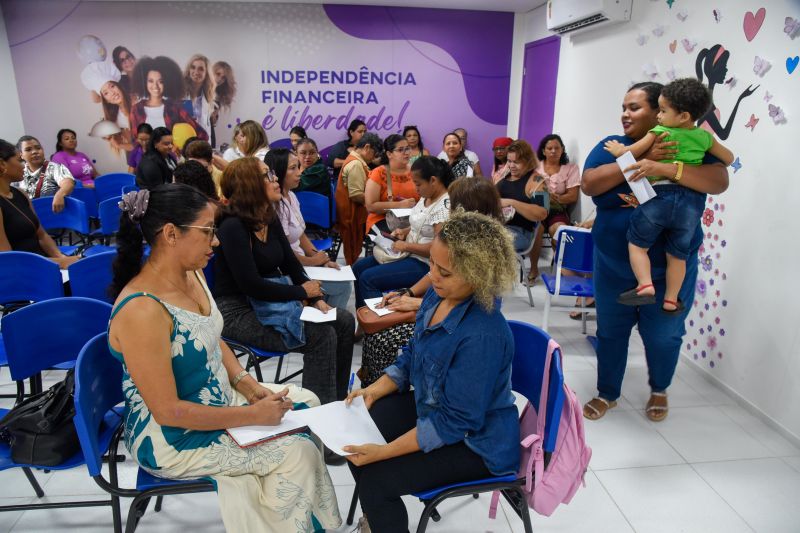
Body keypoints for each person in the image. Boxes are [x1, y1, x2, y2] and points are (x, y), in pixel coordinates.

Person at [107, 183, 341, 532]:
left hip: (210, 399)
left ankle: (291, 521)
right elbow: (168, 412)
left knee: (305, 401)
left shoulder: (192, 274)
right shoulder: (142, 309)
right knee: (299, 450)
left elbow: (213, 340)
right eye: (207, 232)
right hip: (171, 436)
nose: (215, 241)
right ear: (171, 234)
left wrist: (247, 385)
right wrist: (251, 414)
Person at [344, 211, 519, 533]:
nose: (433, 277)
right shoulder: (438, 297)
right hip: (437, 408)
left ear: (479, 274)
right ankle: (380, 516)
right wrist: (374, 389)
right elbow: (413, 356)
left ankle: (381, 516)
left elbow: (455, 422)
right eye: (434, 265)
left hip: (476, 443)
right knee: (355, 429)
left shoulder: (483, 335)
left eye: (445, 271)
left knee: (375, 475)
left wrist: (384, 452)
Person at [581, 81, 729, 422]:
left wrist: (669, 168)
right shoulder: (612, 146)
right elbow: (590, 184)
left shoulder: (689, 141)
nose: (625, 114)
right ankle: (607, 393)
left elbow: (719, 181)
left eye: (635, 108)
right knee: (610, 332)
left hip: (669, 271)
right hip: (614, 266)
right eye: (624, 107)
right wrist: (640, 157)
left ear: (664, 112)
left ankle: (659, 389)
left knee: (664, 337)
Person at [212, 157, 355, 412]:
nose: (275, 179)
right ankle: (317, 417)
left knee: (343, 321)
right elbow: (250, 285)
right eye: (268, 175)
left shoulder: (267, 215)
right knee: (321, 336)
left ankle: (337, 402)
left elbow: (291, 265)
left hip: (267, 301)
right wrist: (301, 291)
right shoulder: (233, 226)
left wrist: (314, 297)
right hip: (237, 310)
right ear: (250, 185)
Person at [358, 175, 505, 387]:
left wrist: (419, 305)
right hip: (437, 311)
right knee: (380, 336)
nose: (448, 210)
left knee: (383, 337)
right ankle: (377, 387)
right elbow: (434, 273)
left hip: (452, 325)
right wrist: (407, 293)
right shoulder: (456, 238)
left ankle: (384, 389)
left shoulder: (484, 256)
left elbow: (472, 310)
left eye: (452, 205)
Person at [604, 78, 734, 313]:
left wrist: (617, 150)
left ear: (683, 116)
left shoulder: (660, 132)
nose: (659, 116)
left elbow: (629, 153)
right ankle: (671, 300)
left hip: (660, 196)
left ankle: (645, 286)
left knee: (637, 244)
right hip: (691, 205)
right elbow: (729, 158)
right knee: (677, 255)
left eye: (663, 111)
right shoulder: (705, 138)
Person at [353, 155, 452, 308]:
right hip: (409, 253)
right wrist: (404, 231)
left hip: (424, 263)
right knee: (358, 268)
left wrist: (406, 246)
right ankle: (364, 319)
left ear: (433, 180)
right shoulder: (427, 197)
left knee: (368, 278)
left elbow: (440, 251)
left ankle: (379, 326)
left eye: (418, 184)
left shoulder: (444, 207)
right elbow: (419, 225)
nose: (416, 189)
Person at [267, 148, 351, 309]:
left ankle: (330, 322)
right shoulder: (275, 206)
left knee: (339, 277)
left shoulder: (291, 196)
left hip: (302, 262)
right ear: (277, 172)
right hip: (288, 268)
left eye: (298, 167)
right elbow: (284, 253)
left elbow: (300, 235)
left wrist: (320, 258)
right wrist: (313, 261)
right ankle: (331, 324)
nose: (299, 172)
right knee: (343, 287)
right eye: (293, 168)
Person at [0, 139, 79, 267]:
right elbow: (8, 261)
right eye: (19, 160)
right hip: (24, 273)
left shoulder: (20, 194)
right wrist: (59, 262)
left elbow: (41, 235)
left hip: (43, 263)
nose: (23, 165)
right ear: (2, 165)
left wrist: (61, 256)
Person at [495, 140, 548, 282]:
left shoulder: (537, 180)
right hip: (500, 227)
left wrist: (512, 203)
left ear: (528, 161)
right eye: (509, 161)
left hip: (521, 233)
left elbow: (542, 213)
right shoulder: (503, 176)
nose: (511, 165)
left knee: (486, 243)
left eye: (516, 162)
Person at [129, 56, 208, 141]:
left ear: (167, 82)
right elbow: (135, 141)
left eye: (160, 81)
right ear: (144, 82)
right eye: (151, 81)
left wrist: (184, 149)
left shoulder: (175, 108)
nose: (155, 86)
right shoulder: (136, 109)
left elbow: (202, 135)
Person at [335, 132, 382, 265]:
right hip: (352, 215)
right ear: (367, 147)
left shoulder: (355, 160)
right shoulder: (355, 164)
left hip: (354, 212)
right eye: (374, 153)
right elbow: (356, 195)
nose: (373, 158)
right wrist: (376, 203)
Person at [364, 134, 420, 235]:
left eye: (407, 149)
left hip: (413, 218)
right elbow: (370, 206)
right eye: (400, 150)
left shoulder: (416, 171)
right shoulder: (379, 173)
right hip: (383, 219)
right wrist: (400, 205)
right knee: (397, 238)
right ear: (389, 154)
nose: (406, 153)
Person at [16, 136, 74, 212]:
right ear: (21, 155)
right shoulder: (19, 172)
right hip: (30, 216)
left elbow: (68, 183)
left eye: (38, 148)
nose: (35, 152)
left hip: (55, 214)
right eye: (28, 149)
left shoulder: (55, 167)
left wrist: (59, 195)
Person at [183, 54, 216, 140]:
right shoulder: (180, 94)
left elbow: (207, 128)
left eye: (201, 69)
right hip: (183, 142)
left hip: (202, 144)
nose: (196, 72)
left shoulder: (208, 97)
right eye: (193, 67)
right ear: (189, 70)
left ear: (206, 74)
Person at [211, 61, 237, 147]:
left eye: (223, 78)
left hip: (209, 132)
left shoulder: (219, 95)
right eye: (218, 74)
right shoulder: (198, 89)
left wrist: (214, 116)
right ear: (212, 72)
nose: (219, 79)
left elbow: (213, 121)